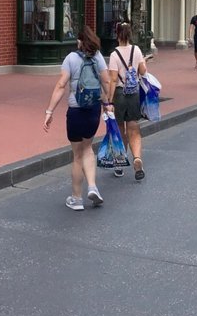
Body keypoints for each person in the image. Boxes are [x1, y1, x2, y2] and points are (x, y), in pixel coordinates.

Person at [44, 26, 112, 210]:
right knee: (88, 149)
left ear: (80, 41)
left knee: (76, 155)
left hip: (75, 110)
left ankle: (76, 198)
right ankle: (93, 187)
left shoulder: (70, 59)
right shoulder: (98, 57)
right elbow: (106, 81)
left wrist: (49, 111)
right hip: (93, 110)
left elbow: (60, 86)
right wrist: (107, 104)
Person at [108, 21, 149, 182]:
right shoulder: (136, 50)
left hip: (119, 93)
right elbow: (143, 71)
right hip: (133, 93)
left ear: (117, 34)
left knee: (119, 130)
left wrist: (109, 102)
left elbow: (112, 80)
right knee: (134, 128)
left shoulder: (114, 55)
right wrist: (143, 61)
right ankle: (137, 158)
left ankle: (119, 163)